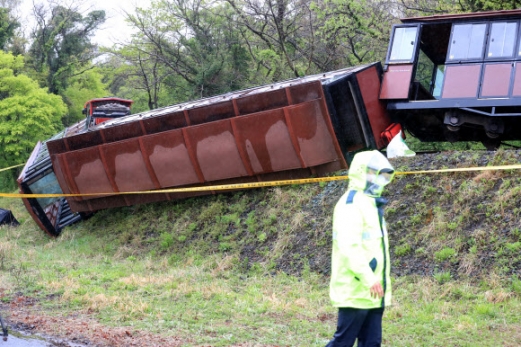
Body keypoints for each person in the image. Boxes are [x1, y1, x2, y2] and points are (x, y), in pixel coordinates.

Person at [325, 150, 395, 347]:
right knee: (343, 343)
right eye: (374, 173)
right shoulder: (351, 204)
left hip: (373, 292)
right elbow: (349, 246)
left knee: (371, 344)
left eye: (382, 175)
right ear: (361, 172)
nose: (379, 180)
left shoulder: (370, 203)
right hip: (356, 290)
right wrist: (368, 277)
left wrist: (375, 280)